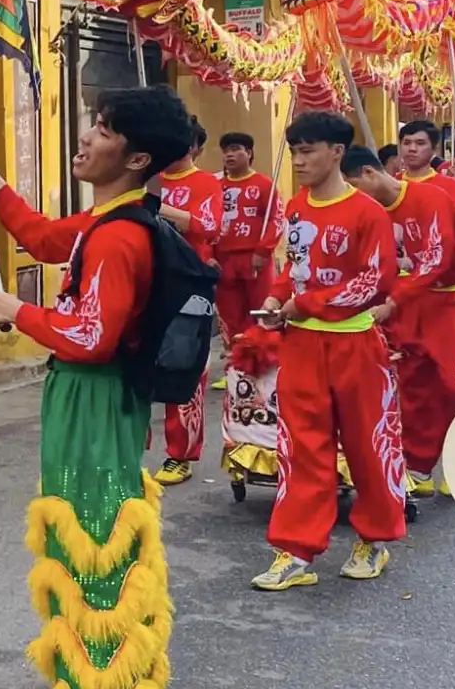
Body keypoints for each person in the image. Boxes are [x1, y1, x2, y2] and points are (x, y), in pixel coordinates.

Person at [0, 87, 192, 689]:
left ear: (137, 156)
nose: (86, 137)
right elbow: (40, 238)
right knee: (95, 537)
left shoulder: (121, 238)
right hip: (92, 396)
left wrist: (17, 312)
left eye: (102, 129)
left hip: (93, 398)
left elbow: (91, 335)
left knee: (92, 546)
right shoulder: (110, 220)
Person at [252, 111, 406, 591]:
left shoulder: (368, 213)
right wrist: (277, 299)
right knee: (301, 448)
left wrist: (306, 303)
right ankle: (295, 551)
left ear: (337, 152)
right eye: (295, 151)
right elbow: (290, 265)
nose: (298, 161)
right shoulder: (296, 207)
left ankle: (374, 539)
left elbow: (372, 282)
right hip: (301, 346)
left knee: (366, 445)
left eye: (308, 151)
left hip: (355, 345)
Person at [345, 145, 455, 498]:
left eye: (352, 186)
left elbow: (436, 258)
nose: (351, 196)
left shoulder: (430, 197)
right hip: (418, 297)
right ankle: (419, 467)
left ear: (368, 173)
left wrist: (394, 301)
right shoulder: (369, 211)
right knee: (416, 383)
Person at [152, 120, 223, 486]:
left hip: (187, 284)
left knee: (183, 369)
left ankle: (181, 454)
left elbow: (209, 226)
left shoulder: (205, 183)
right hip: (147, 281)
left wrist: (158, 209)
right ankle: (132, 448)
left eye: (184, 141)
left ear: (195, 147)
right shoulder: (149, 177)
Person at [215, 131, 283, 343]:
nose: (229, 155)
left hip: (255, 259)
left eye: (235, 150)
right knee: (230, 315)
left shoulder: (264, 185)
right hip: (224, 260)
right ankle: (236, 364)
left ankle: (263, 359)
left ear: (249, 153)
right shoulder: (216, 187)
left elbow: (277, 220)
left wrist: (263, 251)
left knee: (261, 311)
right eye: (226, 151)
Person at [398, 118, 455, 219]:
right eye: (407, 143)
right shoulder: (392, 182)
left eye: (420, 143)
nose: (412, 149)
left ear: (434, 149)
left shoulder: (450, 186)